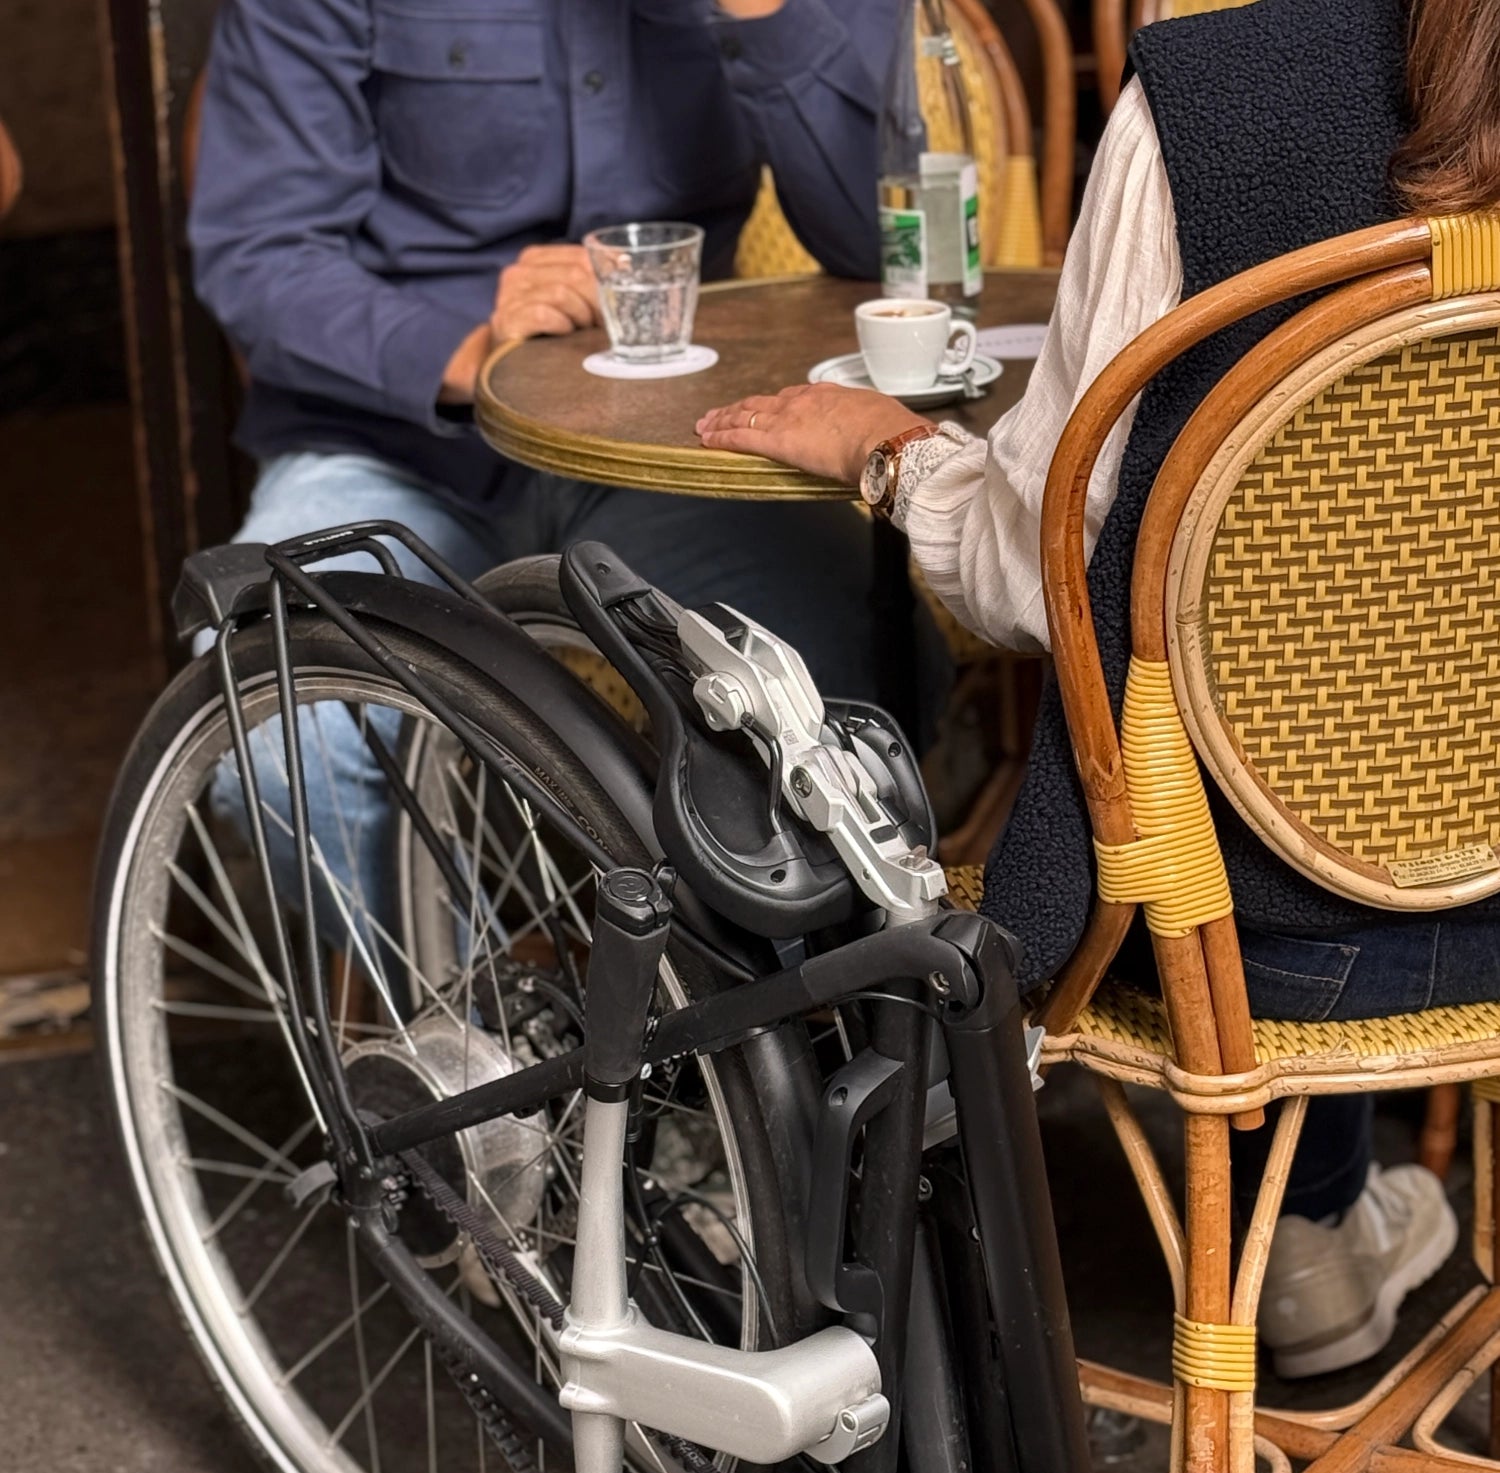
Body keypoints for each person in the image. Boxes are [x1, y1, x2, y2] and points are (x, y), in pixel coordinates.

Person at [698, 0, 1500, 1379]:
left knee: (1192, 706)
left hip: (1250, 938)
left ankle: (813, 1200)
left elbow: (1029, 582)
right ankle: (1315, 1226)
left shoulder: (1209, 105)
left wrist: (892, 450)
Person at [189, 0, 945, 967]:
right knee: (284, 741)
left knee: (848, 663)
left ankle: (756, 1054)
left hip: (661, 448)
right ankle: (472, 1050)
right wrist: (471, 353)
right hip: (394, 442)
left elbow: (883, 240)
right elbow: (260, 254)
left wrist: (765, 13)